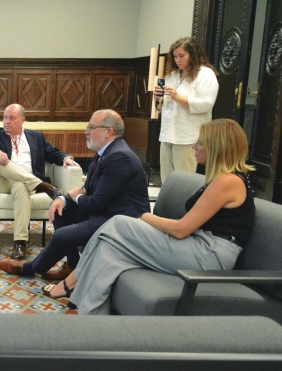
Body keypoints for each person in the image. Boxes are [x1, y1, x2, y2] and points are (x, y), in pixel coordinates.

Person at [48, 119, 254, 315]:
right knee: (110, 248)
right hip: (200, 245)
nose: (194, 147)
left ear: (216, 147)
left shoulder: (228, 181)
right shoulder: (223, 179)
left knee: (118, 223)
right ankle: (92, 315)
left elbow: (181, 229)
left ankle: (74, 281)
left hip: (210, 256)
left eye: (199, 143)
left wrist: (143, 216)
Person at [0, 109, 150, 280]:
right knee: (62, 210)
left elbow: (96, 202)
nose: (86, 131)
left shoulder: (119, 157)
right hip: (106, 212)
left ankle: (30, 268)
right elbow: (87, 189)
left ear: (108, 132)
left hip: (118, 220)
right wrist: (63, 199)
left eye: (91, 127)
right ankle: (73, 266)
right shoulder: (105, 153)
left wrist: (76, 197)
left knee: (62, 236)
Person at [0, 104, 79, 260]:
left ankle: (20, 242)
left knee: (20, 185)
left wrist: (66, 158)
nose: (7, 121)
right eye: (5, 117)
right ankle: (44, 186)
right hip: (0, 182)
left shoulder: (36, 137)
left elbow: (53, 152)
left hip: (24, 184)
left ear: (22, 120)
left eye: (12, 118)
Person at [156, 36, 219, 183]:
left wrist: (178, 97)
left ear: (193, 54)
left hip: (187, 136)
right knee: (166, 178)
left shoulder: (205, 74)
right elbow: (162, 107)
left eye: (182, 56)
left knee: (183, 180)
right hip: (167, 133)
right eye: (175, 56)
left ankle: (181, 206)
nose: (178, 60)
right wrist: (158, 99)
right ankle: (166, 204)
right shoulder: (172, 75)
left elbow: (206, 104)